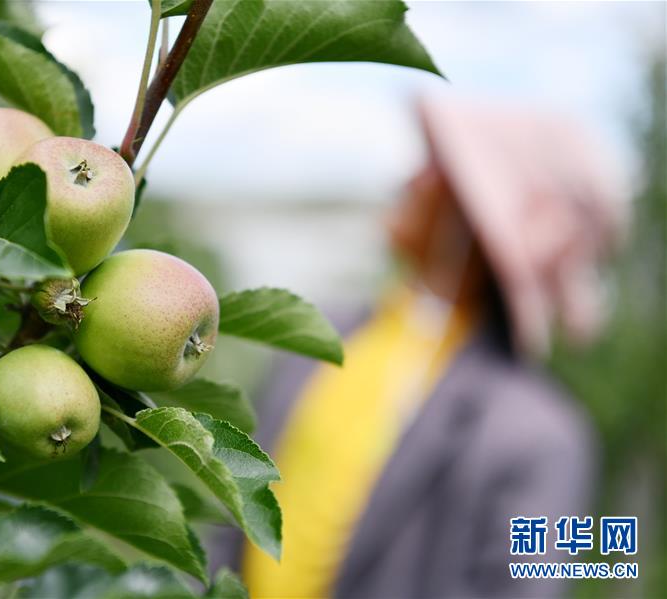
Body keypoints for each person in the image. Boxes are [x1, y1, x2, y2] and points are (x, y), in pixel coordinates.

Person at [210, 96, 627, 598]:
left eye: (441, 168)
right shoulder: (315, 338)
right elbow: (231, 509)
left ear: (474, 218)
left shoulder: (542, 438)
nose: (413, 179)